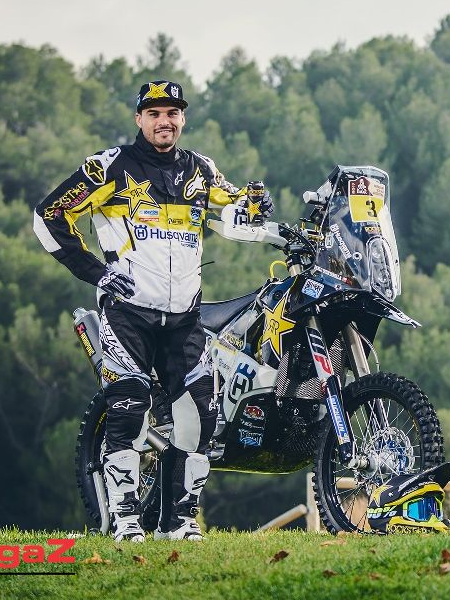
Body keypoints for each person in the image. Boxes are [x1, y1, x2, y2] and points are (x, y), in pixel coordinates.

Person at [32, 80, 273, 541]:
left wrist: (257, 205)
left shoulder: (202, 170)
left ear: (183, 118)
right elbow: (48, 216)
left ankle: (178, 521)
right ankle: (125, 518)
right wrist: (96, 273)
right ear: (139, 119)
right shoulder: (109, 167)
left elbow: (236, 211)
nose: (165, 121)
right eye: (155, 113)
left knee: (200, 415)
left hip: (184, 319)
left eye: (173, 113)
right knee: (128, 408)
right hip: (128, 313)